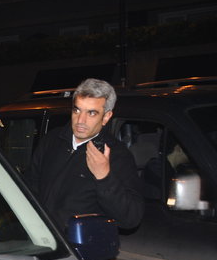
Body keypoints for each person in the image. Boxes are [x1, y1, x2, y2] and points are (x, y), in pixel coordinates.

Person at [25, 78, 144, 232]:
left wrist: (104, 177)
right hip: (40, 238)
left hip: (80, 245)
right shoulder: (52, 141)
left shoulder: (117, 155)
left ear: (106, 117)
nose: (81, 120)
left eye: (91, 113)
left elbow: (131, 218)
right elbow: (30, 188)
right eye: (77, 110)